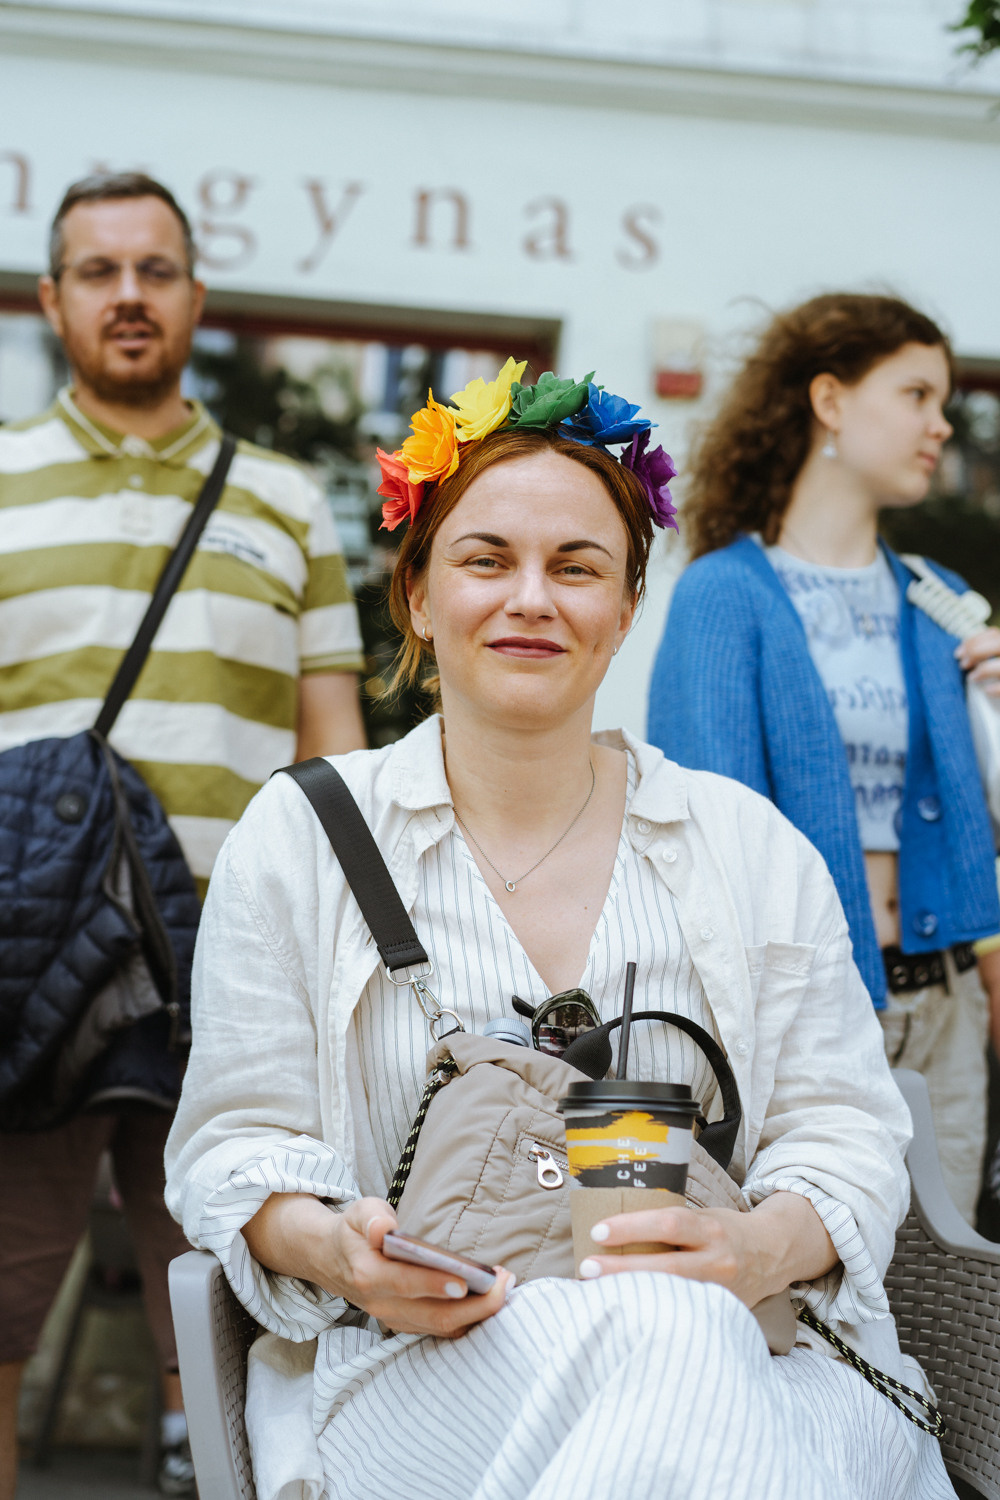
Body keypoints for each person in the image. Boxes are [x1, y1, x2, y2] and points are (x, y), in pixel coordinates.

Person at [166, 361, 953, 1500]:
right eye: (486, 559)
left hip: (753, 1361)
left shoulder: (747, 845)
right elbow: (232, 1146)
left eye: (576, 567)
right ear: (417, 596)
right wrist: (342, 1252)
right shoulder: (300, 839)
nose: (531, 598)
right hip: (418, 1374)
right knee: (675, 1344)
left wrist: (754, 1250)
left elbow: (845, 1128)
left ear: (626, 609)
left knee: (676, 1333)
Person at [0, 171, 366, 1499]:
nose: (128, 295)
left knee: (237, 1314)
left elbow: (331, 754)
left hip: (231, 969)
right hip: (25, 969)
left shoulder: (284, 499)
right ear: (53, 302)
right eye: (98, 272)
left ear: (196, 299)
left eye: (154, 270)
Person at [648, 292, 1000, 1225]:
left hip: (947, 1005)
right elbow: (703, 830)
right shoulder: (725, 593)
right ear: (830, 401)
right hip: (804, 1009)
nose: (941, 424)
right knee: (811, 1272)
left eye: (944, 402)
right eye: (917, 395)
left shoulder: (940, 599)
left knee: (948, 1282)